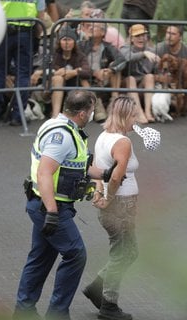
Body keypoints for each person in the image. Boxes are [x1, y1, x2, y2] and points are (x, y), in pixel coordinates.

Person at [14, 90, 116, 320]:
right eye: (91, 110)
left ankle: (24, 310)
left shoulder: (64, 127)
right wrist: (51, 212)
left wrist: (105, 173)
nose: (93, 114)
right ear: (82, 113)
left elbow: (75, 165)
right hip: (50, 206)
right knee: (75, 254)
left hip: (45, 204)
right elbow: (44, 173)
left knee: (40, 258)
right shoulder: (61, 136)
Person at [82, 96, 140, 320]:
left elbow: (97, 169)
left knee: (130, 251)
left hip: (116, 204)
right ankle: (109, 305)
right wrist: (108, 198)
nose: (137, 120)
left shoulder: (103, 136)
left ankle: (96, 288)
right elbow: (116, 177)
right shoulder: (123, 142)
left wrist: (99, 192)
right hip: (121, 205)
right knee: (122, 253)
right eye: (134, 115)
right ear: (125, 115)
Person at [0, 0, 46, 126]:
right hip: (25, 33)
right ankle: (18, 114)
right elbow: (41, 16)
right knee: (23, 74)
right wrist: (36, 37)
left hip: (3, 31)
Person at [78, 19, 127, 122]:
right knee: (81, 73)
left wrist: (110, 70)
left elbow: (122, 60)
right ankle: (96, 104)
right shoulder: (82, 45)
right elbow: (78, 63)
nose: (91, 28)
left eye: (95, 27)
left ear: (103, 32)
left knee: (115, 68)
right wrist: (95, 73)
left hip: (104, 79)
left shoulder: (108, 47)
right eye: (90, 26)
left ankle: (113, 102)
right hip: (87, 78)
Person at [120, 24, 159, 123]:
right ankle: (139, 113)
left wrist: (159, 63)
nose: (141, 38)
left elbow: (156, 70)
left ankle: (148, 112)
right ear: (131, 38)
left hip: (142, 86)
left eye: (143, 35)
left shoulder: (152, 50)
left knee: (150, 76)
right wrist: (143, 54)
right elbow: (127, 57)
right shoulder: (125, 48)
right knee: (131, 79)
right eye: (137, 36)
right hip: (127, 86)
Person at [49, 26, 91, 118]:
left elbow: (87, 72)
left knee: (84, 81)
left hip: (73, 88)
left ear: (74, 42)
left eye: (70, 40)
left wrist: (74, 72)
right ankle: (55, 115)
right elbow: (44, 70)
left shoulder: (80, 56)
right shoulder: (54, 54)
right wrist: (56, 73)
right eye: (64, 40)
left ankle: (91, 110)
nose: (67, 43)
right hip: (52, 89)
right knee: (58, 78)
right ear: (59, 42)